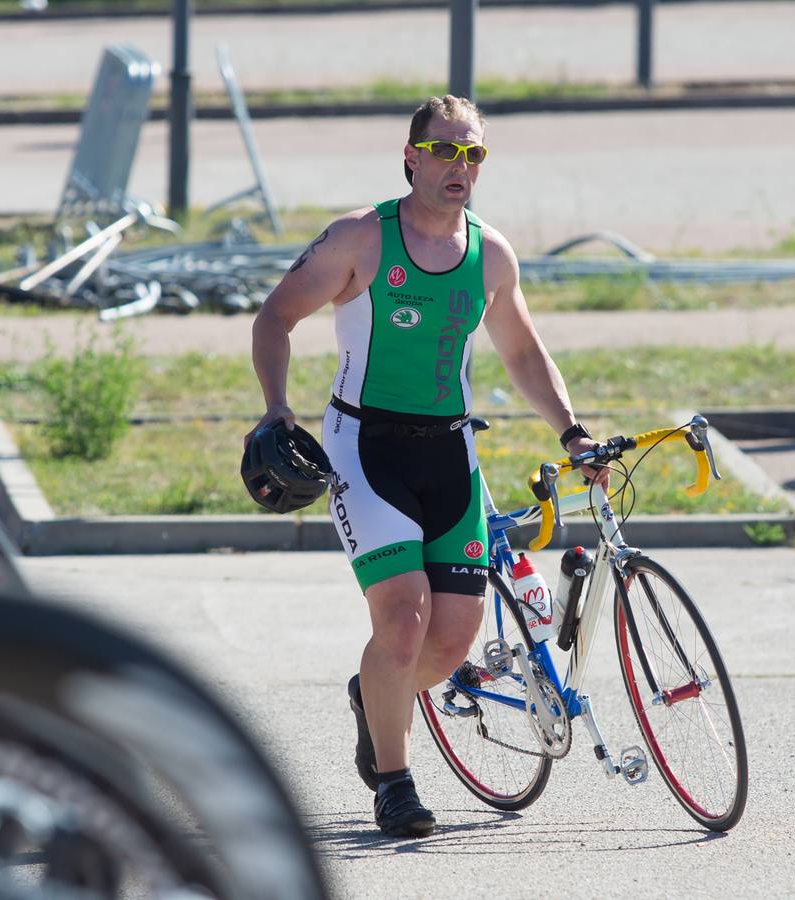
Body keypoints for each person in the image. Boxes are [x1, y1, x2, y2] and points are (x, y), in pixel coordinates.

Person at [249, 95, 604, 837]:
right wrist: (276, 407)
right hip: (365, 448)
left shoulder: (491, 253)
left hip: (450, 450)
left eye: (472, 153)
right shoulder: (361, 238)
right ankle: (394, 782)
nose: (458, 166)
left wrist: (571, 431)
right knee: (404, 618)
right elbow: (275, 316)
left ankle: (371, 696)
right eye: (444, 150)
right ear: (410, 158)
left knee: (448, 642)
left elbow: (522, 353)